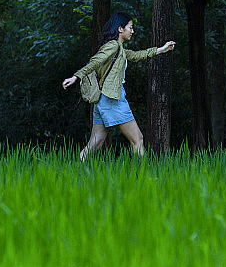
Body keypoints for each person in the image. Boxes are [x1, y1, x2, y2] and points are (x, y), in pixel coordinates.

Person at [62, 12, 175, 161]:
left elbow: (136, 55)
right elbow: (94, 61)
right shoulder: (113, 46)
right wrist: (76, 76)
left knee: (95, 143)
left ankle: (73, 172)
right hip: (112, 98)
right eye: (130, 27)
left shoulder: (119, 49)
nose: (132, 31)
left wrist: (162, 49)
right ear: (120, 29)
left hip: (103, 99)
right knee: (138, 140)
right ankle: (145, 179)